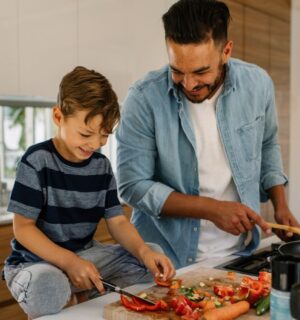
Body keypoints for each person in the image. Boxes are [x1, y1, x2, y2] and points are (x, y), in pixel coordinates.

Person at [116, 0, 300, 269]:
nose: (189, 84)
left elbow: (267, 143)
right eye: (177, 70)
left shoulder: (258, 84)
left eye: (201, 71)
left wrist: (280, 203)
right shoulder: (143, 98)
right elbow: (132, 185)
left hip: (239, 255)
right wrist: (212, 209)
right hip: (164, 260)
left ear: (226, 51)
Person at [3, 66, 175, 319]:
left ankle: (76, 295)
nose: (95, 144)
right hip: (35, 263)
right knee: (48, 286)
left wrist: (144, 252)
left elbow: (117, 221)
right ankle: (74, 294)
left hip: (85, 256)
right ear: (59, 117)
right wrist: (69, 263)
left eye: (104, 135)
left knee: (150, 257)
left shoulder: (101, 166)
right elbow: (23, 228)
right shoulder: (37, 160)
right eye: (86, 134)